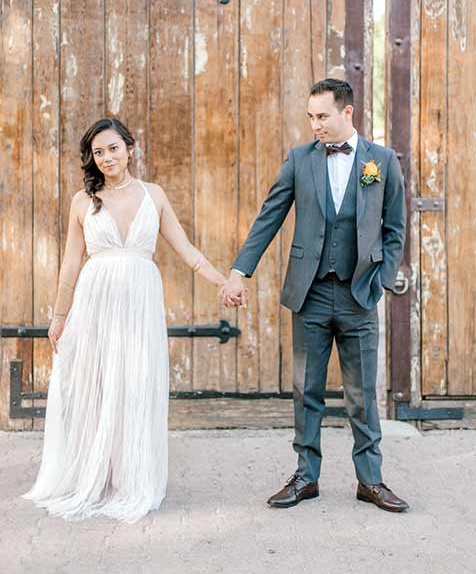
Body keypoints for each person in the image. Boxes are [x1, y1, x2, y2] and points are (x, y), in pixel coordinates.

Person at [23, 118, 227, 522]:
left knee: (133, 381)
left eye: (113, 148)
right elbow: (69, 265)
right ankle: (93, 474)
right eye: (98, 152)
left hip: (139, 300)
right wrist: (59, 316)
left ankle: (129, 477)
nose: (107, 158)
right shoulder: (83, 200)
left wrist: (222, 282)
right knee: (95, 381)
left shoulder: (154, 195)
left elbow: (186, 250)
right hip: (95, 299)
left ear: (129, 148)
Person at [221, 78, 409, 513]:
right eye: (310, 117)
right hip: (309, 294)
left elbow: (395, 227)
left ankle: (371, 481)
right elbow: (269, 216)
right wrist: (238, 271)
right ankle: (306, 476)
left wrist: (381, 280)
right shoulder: (299, 159)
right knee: (307, 389)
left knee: (361, 392)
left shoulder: (380, 162)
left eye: (322, 116)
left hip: (359, 294)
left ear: (347, 112)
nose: (315, 125)